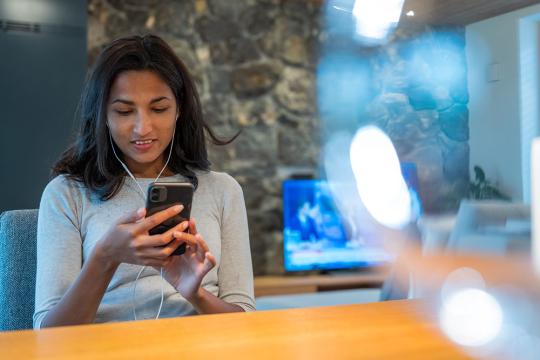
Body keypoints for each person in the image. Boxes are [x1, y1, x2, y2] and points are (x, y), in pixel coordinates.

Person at [33, 34, 255, 329]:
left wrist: (195, 294)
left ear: (179, 110)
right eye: (124, 111)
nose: (142, 127)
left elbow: (247, 323)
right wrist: (105, 257)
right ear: (103, 116)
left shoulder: (222, 190)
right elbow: (47, 336)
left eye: (159, 108)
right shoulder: (67, 194)